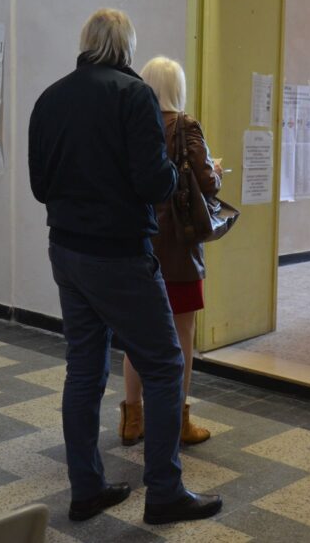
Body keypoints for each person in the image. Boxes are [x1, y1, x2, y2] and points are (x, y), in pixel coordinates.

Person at [28, 9, 222, 525]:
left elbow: (40, 186)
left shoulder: (50, 98)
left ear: (86, 43)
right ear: (127, 47)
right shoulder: (134, 95)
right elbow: (155, 183)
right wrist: (170, 175)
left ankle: (86, 489)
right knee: (164, 365)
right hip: (119, 254)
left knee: (83, 369)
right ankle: (165, 492)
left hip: (65, 251)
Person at [119, 56, 222, 447]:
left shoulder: (129, 125)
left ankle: (132, 419)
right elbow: (206, 182)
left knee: (136, 334)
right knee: (182, 332)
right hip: (179, 247)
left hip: (139, 243)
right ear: (178, 87)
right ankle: (178, 420)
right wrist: (215, 171)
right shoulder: (186, 125)